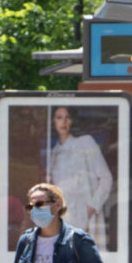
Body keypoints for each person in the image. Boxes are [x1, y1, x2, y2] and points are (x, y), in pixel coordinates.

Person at [49, 106, 113, 248]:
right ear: (53, 121)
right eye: (59, 118)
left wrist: (91, 208)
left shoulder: (85, 143)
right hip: (64, 221)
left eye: (67, 117)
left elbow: (106, 178)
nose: (63, 122)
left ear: (72, 121)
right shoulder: (54, 153)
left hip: (86, 220)